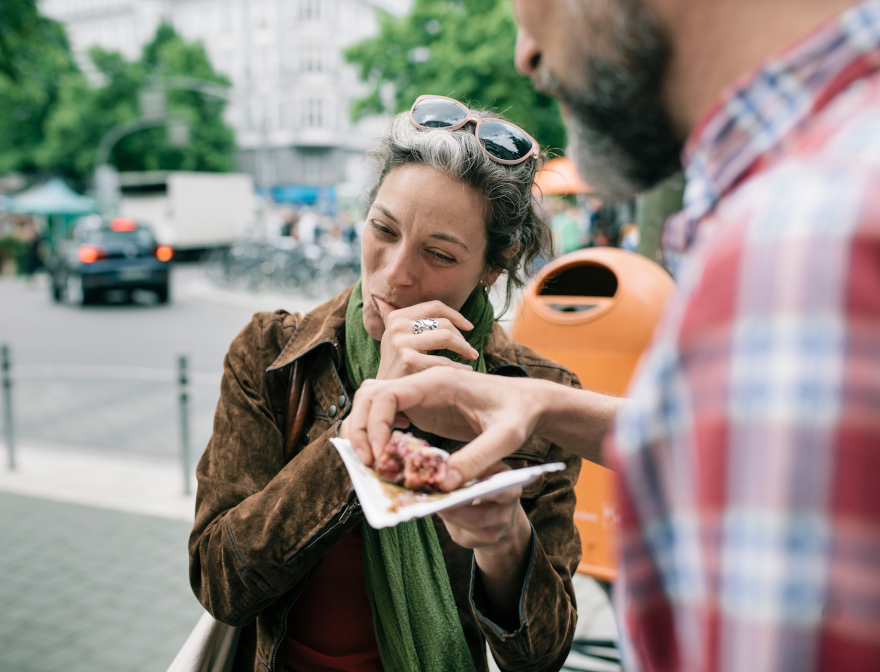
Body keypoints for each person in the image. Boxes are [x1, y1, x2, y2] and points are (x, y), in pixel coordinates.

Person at [347, 0, 880, 670]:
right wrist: (547, 408)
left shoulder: (804, 231)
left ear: (494, 265)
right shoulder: (817, 195)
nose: (526, 53)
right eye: (384, 229)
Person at [189, 100, 584, 672]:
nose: (395, 272)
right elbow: (220, 582)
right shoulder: (274, 355)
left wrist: (504, 541)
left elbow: (541, 655)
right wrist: (360, 429)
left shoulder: (532, 394)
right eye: (383, 229)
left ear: (494, 267)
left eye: (440, 254)